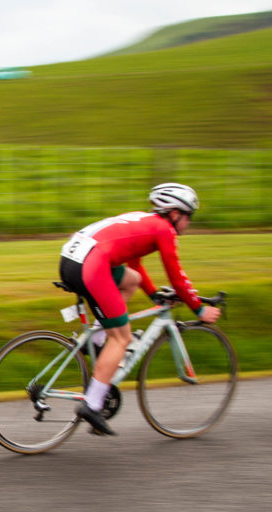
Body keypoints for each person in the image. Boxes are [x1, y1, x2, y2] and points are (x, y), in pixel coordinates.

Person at [58, 182, 222, 436]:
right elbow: (176, 275)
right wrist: (199, 309)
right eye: (189, 216)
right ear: (175, 214)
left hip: (73, 259)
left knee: (130, 279)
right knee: (122, 337)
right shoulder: (164, 230)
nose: (189, 223)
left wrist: (154, 294)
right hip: (90, 266)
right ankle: (91, 405)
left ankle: (99, 339)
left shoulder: (145, 221)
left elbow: (136, 267)